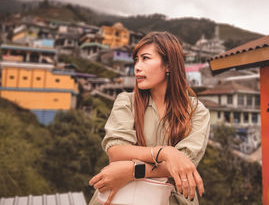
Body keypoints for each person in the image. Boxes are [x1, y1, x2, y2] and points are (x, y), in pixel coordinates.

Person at [88, 31, 210, 205]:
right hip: (121, 197)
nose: (137, 66)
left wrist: (132, 170)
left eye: (145, 58)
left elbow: (183, 164)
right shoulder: (126, 101)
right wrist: (165, 152)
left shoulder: (197, 111)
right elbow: (116, 151)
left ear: (168, 65)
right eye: (136, 60)